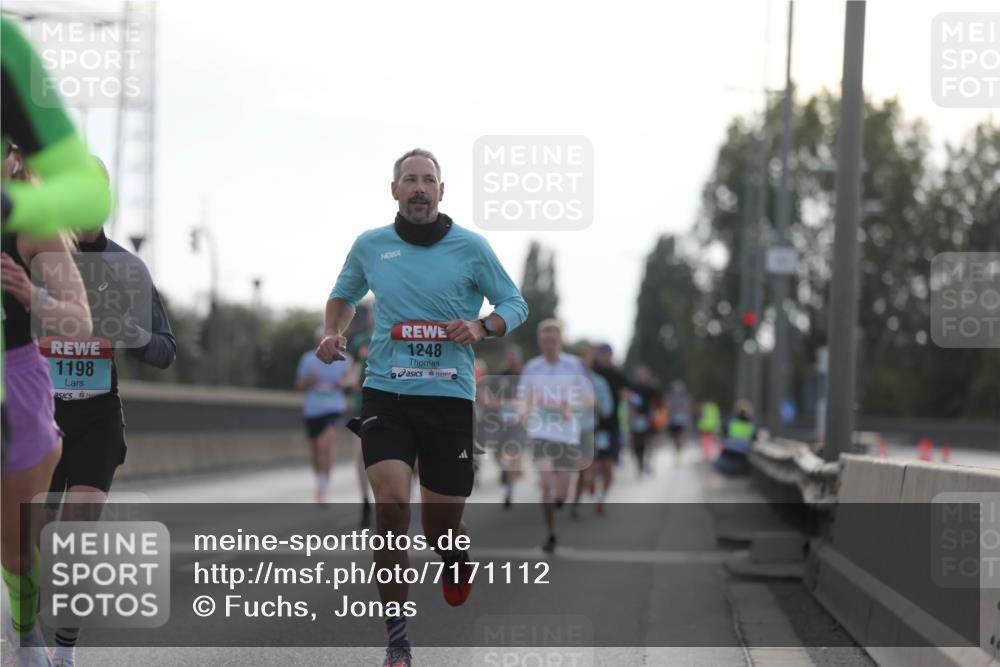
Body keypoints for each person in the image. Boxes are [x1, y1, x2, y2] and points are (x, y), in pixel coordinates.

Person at [316, 148, 527, 667]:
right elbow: (342, 295)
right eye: (409, 179)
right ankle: (398, 640)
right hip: (387, 393)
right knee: (389, 509)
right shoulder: (371, 246)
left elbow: (514, 304)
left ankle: (454, 558)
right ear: (394, 191)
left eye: (427, 180)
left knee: (439, 529)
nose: (418, 187)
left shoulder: (471, 248)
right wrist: (332, 333)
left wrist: (481, 326)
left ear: (440, 191)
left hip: (449, 399)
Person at [41, 196, 176, 667]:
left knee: (78, 529)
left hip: (96, 416)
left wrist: (131, 331)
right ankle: (28, 637)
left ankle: (63, 652)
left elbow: (165, 350)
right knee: (31, 537)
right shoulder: (30, 257)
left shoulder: (127, 268)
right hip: (39, 411)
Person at [2, 150, 95, 667]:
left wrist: (32, 295)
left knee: (15, 548)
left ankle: (28, 643)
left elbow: (80, 320)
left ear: (15, 158)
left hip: (15, 381)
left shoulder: (34, 224)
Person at [518, 320, 593, 552]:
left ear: (560, 341)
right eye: (545, 339)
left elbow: (589, 399)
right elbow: (523, 397)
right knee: (546, 482)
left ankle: (561, 500)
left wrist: (573, 409)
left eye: (553, 339)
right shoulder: (532, 367)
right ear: (540, 341)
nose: (549, 344)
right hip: (540, 432)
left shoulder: (574, 366)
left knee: (563, 489)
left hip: (567, 433)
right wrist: (523, 413)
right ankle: (551, 533)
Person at [297, 326, 355, 504]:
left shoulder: (345, 358)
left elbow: (352, 378)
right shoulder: (308, 359)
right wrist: (309, 379)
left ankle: (325, 487)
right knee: (315, 450)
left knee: (325, 446)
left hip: (333, 407)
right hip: (313, 409)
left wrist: (342, 382)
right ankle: (320, 483)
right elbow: (300, 384)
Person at [476, 345, 525, 508]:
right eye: (509, 356)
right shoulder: (498, 377)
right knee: (498, 454)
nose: (512, 360)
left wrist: (521, 407)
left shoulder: (526, 376)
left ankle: (509, 491)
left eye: (514, 356)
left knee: (514, 453)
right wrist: (503, 403)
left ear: (518, 358)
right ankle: (506, 471)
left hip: (518, 424)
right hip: (499, 422)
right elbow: (488, 398)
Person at [570, 343, 613, 517]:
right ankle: (573, 500)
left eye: (585, 357)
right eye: (578, 358)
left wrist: (597, 403)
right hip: (569, 431)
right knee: (578, 470)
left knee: (587, 469)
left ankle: (577, 503)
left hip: (591, 430)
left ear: (590, 360)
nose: (582, 361)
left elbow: (608, 408)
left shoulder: (599, 382)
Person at [347, 305, 376, 526]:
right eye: (372, 313)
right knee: (361, 454)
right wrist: (350, 382)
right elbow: (353, 371)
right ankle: (365, 500)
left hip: (393, 403)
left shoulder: (399, 336)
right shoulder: (360, 342)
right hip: (364, 405)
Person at [591, 343, 629, 476]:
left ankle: (602, 491)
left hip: (611, 423)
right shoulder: (592, 372)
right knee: (592, 463)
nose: (604, 357)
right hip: (592, 423)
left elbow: (627, 393)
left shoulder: (618, 375)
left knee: (608, 463)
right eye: (602, 354)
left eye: (607, 354)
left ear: (611, 355)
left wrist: (626, 397)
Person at [627, 365, 660, 475]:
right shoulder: (633, 387)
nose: (641, 376)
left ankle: (648, 462)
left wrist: (653, 413)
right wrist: (631, 414)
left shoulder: (651, 388)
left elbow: (657, 402)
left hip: (647, 418)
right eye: (639, 374)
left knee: (649, 441)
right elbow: (629, 402)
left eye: (643, 373)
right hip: (636, 418)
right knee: (638, 442)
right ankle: (640, 462)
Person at [713, 400, 757, 476]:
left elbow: (723, 434)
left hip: (727, 453)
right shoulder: (751, 426)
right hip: (742, 456)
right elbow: (754, 439)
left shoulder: (730, 422)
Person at [665, 380, 692, 465]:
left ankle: (678, 453)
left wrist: (688, 420)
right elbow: (668, 409)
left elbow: (687, 410)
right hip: (673, 422)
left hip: (681, 422)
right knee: (675, 439)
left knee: (679, 437)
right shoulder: (671, 398)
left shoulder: (685, 398)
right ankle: (677, 452)